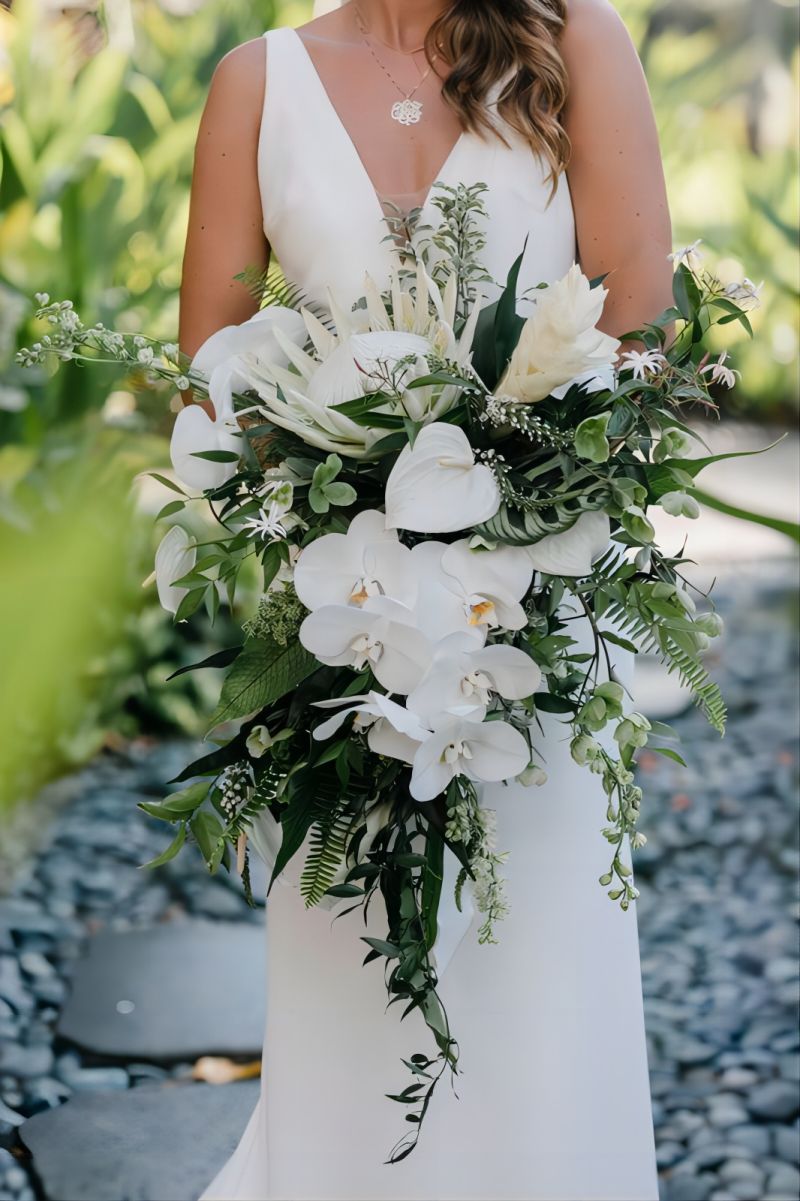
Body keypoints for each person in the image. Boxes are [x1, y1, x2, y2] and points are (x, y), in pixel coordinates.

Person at [182, 2, 671, 1197]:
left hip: (525, 626)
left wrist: (506, 517)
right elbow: (208, 379)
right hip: (342, 641)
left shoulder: (575, 45)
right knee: (356, 978)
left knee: (534, 984)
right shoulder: (256, 82)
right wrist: (320, 513)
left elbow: (641, 328)